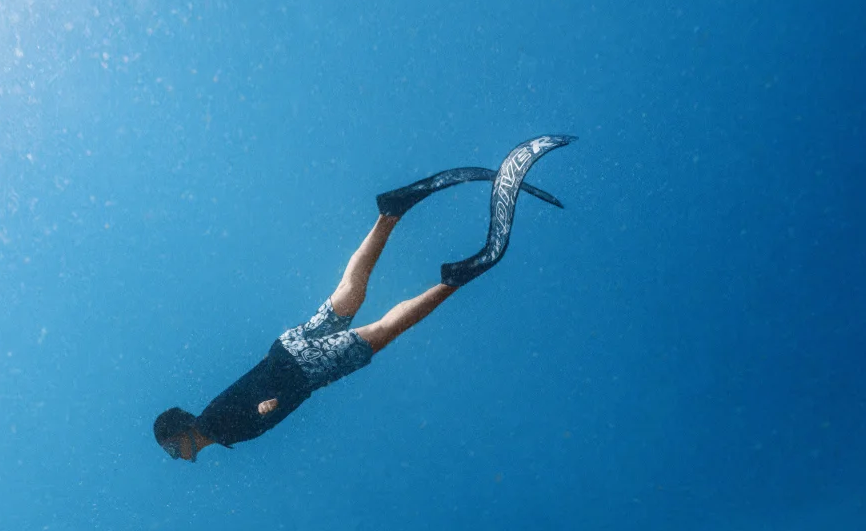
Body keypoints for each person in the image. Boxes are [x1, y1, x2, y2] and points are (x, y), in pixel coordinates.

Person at [153, 135, 573, 462]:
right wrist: (266, 397)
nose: (177, 456)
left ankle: (458, 278)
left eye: (172, 448)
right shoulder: (212, 419)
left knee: (384, 331)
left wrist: (268, 407)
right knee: (348, 295)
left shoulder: (217, 429)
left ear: (181, 432)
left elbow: (258, 408)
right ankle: (390, 213)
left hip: (303, 371)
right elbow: (247, 394)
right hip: (286, 349)